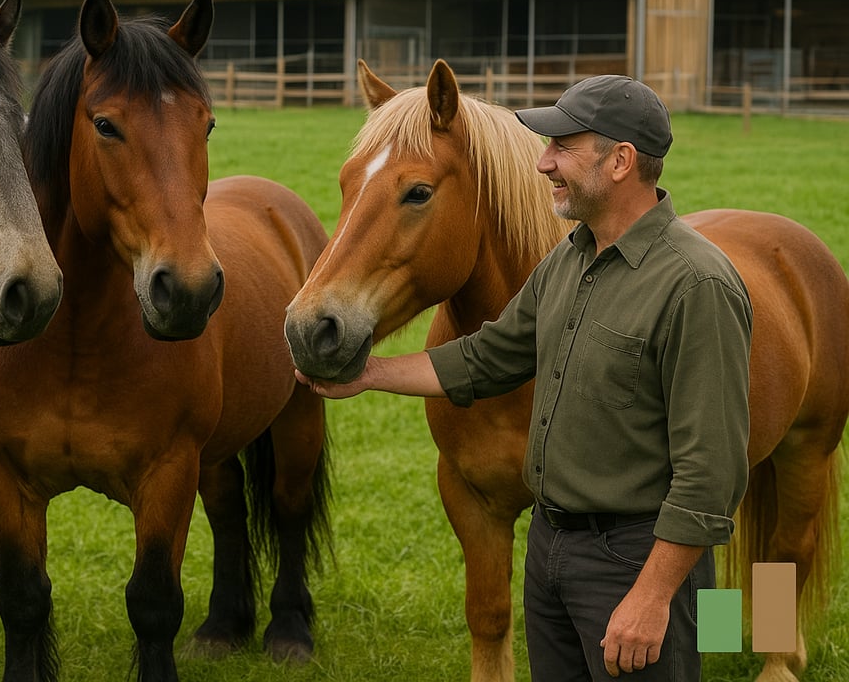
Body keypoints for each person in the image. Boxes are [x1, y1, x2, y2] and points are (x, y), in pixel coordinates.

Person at [297, 75, 752, 681]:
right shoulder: (567, 261)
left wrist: (651, 599)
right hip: (558, 547)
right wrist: (370, 373)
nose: (541, 163)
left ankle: (777, 646)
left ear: (620, 161)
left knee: (781, 536)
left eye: (563, 147)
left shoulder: (696, 285)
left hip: (635, 551)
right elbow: (490, 356)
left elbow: (711, 477)